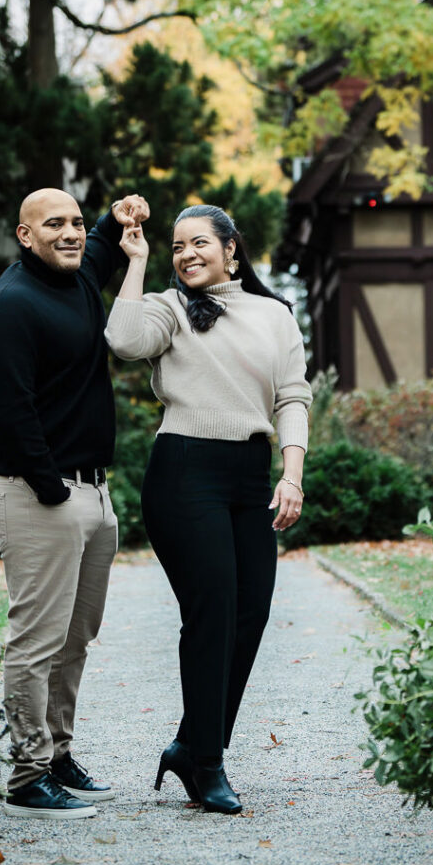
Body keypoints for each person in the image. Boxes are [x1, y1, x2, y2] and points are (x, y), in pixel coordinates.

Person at [104, 204, 312, 815]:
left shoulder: (274, 315)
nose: (187, 254)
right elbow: (122, 339)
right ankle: (209, 763)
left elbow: (293, 396)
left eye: (199, 243)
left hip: (249, 476)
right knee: (214, 608)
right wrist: (137, 261)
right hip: (184, 473)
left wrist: (291, 474)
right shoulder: (169, 309)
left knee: (252, 611)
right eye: (177, 247)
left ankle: (191, 743)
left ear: (231, 250)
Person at [0, 187, 149, 820]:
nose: (71, 233)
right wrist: (54, 492)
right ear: (25, 236)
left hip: (92, 492)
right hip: (37, 494)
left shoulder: (79, 276)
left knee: (75, 638)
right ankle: (24, 777)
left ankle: (55, 754)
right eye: (55, 225)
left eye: (76, 223)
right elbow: (12, 415)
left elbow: (102, 239)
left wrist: (118, 214)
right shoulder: (8, 308)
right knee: (36, 641)